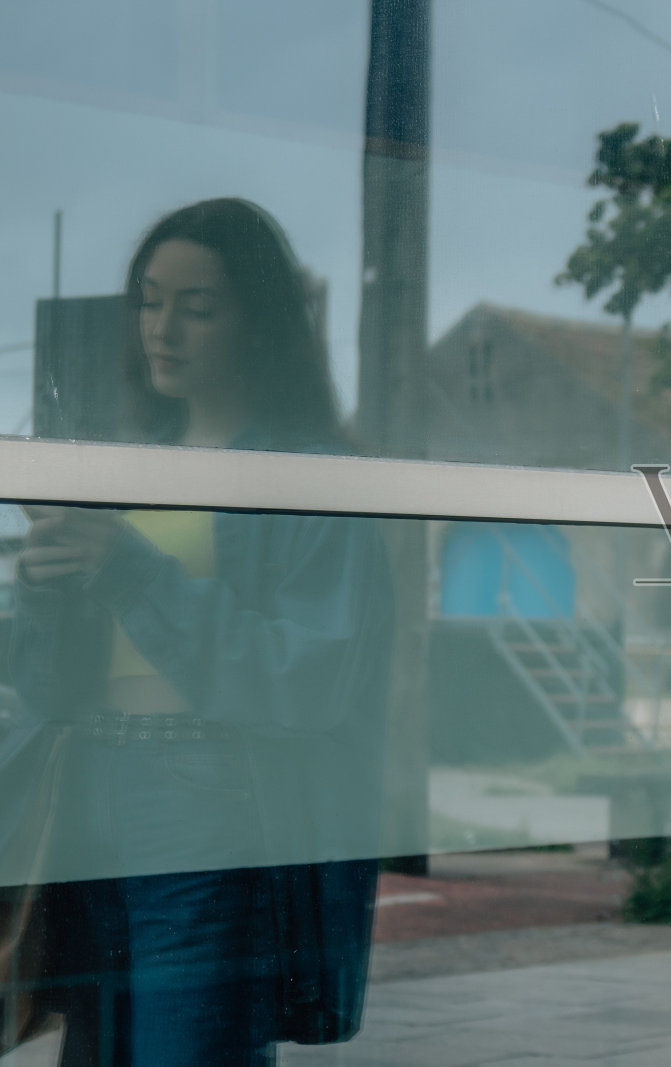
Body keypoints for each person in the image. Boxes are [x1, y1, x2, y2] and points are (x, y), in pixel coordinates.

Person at [6, 198, 394, 1064]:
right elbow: (46, 686)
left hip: (210, 810)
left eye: (199, 307)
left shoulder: (308, 480)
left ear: (257, 324)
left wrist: (132, 566)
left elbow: (306, 680)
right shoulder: (124, 465)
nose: (163, 328)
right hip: (87, 800)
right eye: (149, 300)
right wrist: (43, 591)